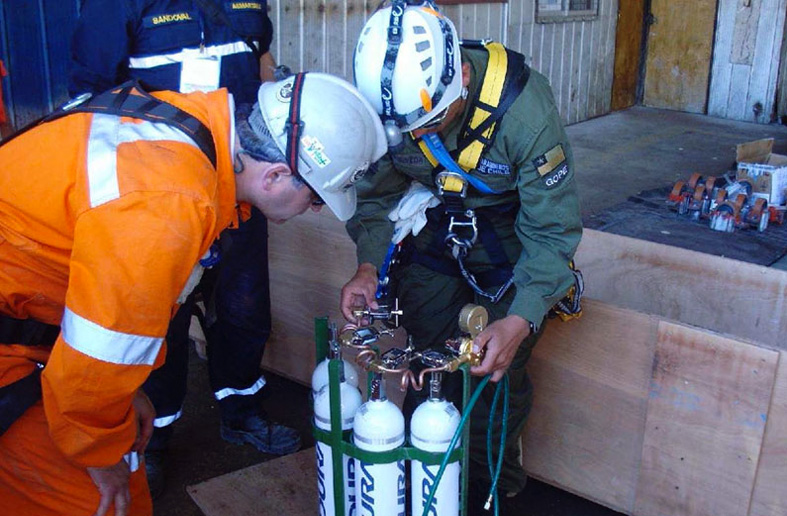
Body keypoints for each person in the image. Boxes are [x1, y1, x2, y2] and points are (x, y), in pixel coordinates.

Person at [0, 73, 387, 516]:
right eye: (317, 200)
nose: (311, 212)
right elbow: (96, 360)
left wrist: (126, 395)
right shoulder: (169, 202)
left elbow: (122, 314)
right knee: (99, 503)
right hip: (20, 348)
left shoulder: (192, 132)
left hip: (37, 332)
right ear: (277, 175)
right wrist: (98, 452)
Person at [340, 2, 582, 515]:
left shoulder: (525, 111)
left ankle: (489, 485)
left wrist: (520, 318)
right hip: (436, 233)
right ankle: (431, 476)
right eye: (407, 130)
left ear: (463, 78)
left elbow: (553, 230)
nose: (418, 136)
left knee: (495, 376)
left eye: (430, 122)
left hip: (509, 241)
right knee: (434, 363)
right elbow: (377, 199)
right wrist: (367, 265)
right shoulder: (393, 115)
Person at [68, 0, 287, 497]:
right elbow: (89, 102)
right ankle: (154, 438)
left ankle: (242, 410)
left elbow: (263, 63)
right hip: (161, 200)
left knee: (243, 307)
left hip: (239, 186)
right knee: (160, 318)